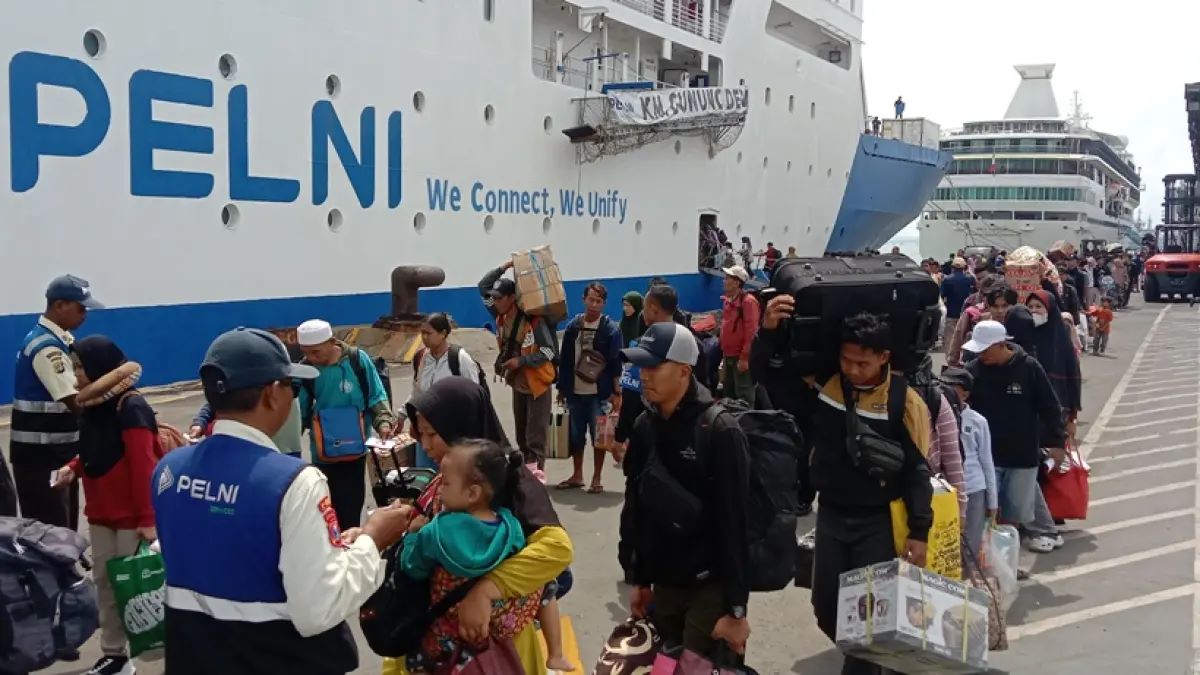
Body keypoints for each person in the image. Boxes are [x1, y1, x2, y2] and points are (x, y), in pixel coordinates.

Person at [151, 328, 412, 675]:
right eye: (292, 386)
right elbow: (318, 609)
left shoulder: (169, 470)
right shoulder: (294, 482)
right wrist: (372, 540)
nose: (294, 397)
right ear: (272, 394)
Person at [766, 308, 933, 675]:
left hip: (877, 523)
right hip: (831, 516)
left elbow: (918, 471)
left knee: (866, 616)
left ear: (884, 357)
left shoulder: (905, 402)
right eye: (846, 360)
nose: (853, 370)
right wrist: (769, 333)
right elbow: (773, 379)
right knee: (826, 607)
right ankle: (875, 663)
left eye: (862, 363)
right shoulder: (827, 386)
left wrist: (919, 530)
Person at [387, 378, 574, 675]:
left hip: (500, 653)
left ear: (462, 428)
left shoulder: (511, 479)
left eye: (432, 434)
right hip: (439, 647)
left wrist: (486, 590)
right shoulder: (447, 479)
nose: (425, 445)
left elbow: (557, 548)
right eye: (421, 434)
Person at [619, 323, 752, 662]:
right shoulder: (645, 426)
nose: (644, 375)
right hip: (664, 585)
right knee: (664, 667)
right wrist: (639, 579)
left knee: (696, 667)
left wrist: (736, 610)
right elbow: (637, 508)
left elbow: (735, 524)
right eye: (641, 366)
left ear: (683, 370)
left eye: (654, 366)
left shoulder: (720, 431)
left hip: (710, 588)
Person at [51, 336, 155, 675]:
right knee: (107, 585)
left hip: (130, 518)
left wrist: (147, 518)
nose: (76, 374)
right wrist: (73, 468)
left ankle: (150, 651)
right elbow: (96, 451)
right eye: (74, 366)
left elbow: (142, 465)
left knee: (134, 589)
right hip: (100, 513)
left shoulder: (130, 407)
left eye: (80, 367)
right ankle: (115, 656)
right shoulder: (92, 407)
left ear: (100, 367)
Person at [400, 440, 528, 672]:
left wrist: (411, 536)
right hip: (491, 634)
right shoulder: (511, 528)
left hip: (442, 641)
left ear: (472, 493)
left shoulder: (435, 532)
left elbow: (412, 566)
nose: (439, 490)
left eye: (446, 483)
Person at [11, 275, 103, 529]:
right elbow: (76, 401)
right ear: (60, 305)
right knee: (52, 531)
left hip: (55, 454)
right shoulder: (47, 348)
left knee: (63, 527)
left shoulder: (59, 340)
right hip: (43, 458)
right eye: (80, 308)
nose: (85, 315)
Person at [963, 321, 1067, 530]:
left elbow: (1049, 406)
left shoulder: (1029, 368)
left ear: (1001, 344)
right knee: (988, 510)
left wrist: (1057, 442)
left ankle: (1017, 541)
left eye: (985, 350)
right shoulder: (973, 370)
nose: (980, 355)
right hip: (987, 456)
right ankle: (993, 546)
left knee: (1015, 512)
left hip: (1022, 456)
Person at [296, 319, 395, 530]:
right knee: (326, 513)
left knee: (350, 510)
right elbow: (300, 410)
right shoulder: (306, 369)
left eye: (316, 352)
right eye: (306, 352)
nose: (311, 358)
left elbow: (376, 394)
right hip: (322, 454)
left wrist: (383, 422)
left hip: (354, 451)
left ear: (332, 342)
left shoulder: (357, 360)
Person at [479, 261, 560, 470]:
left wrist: (521, 361)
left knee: (535, 438)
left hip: (537, 384)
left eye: (499, 298)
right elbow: (483, 287)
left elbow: (549, 351)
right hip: (519, 382)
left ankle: (536, 476)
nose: (495, 301)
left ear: (511, 298)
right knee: (521, 437)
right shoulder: (500, 316)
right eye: (494, 298)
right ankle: (527, 474)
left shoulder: (533, 321)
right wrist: (504, 267)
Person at [556, 282, 623, 492]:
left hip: (599, 394)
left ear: (604, 303)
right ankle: (577, 474)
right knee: (576, 436)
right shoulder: (573, 327)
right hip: (574, 392)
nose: (594, 304)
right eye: (591, 300)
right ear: (583, 299)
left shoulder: (610, 330)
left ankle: (596, 477)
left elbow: (616, 364)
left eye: (598, 301)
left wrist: (617, 393)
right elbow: (565, 360)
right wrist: (561, 388)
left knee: (599, 437)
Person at [405, 312, 484, 469]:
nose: (424, 337)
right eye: (422, 333)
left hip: (453, 433)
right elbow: (417, 392)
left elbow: (473, 394)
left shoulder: (460, 358)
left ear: (443, 334)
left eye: (429, 333)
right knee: (425, 475)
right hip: (426, 430)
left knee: (452, 474)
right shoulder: (421, 358)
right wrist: (403, 416)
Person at [939, 368, 996, 565]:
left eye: (951, 387)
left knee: (971, 541)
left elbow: (987, 461)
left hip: (973, 488)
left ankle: (969, 575)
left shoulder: (978, 421)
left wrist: (992, 502)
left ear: (965, 393)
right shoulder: (937, 415)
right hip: (947, 490)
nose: (944, 391)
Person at [719, 265, 760, 404]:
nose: (724, 281)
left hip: (739, 357)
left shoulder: (748, 302)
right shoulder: (728, 301)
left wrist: (744, 358)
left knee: (743, 394)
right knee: (728, 391)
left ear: (737, 282)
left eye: (727, 278)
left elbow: (751, 332)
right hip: (728, 355)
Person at [940, 257, 975, 351]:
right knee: (965, 338)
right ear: (964, 267)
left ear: (952, 267)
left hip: (951, 313)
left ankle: (950, 357)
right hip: (967, 314)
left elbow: (942, 296)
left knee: (950, 339)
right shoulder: (970, 279)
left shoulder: (947, 280)